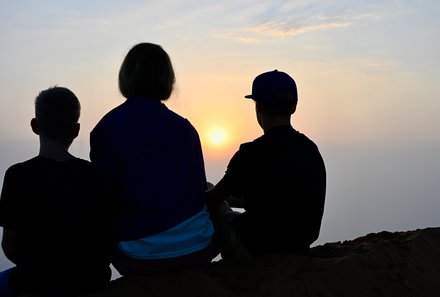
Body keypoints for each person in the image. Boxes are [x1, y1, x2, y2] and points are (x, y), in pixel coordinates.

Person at [89, 42, 215, 275]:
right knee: (210, 190)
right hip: (197, 251)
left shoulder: (106, 129)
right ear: (167, 80)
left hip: (137, 257)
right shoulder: (185, 129)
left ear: (126, 77)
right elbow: (198, 191)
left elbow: (103, 197)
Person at [0, 87, 111, 297]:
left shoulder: (17, 176)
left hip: (35, 282)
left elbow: (10, 248)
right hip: (90, 280)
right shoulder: (95, 175)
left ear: (35, 125)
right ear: (76, 130)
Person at [206, 70, 326, 261]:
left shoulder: (250, 153)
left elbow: (212, 200)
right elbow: (277, 201)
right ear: (294, 106)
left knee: (207, 191)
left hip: (253, 248)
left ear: (258, 107)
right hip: (298, 245)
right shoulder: (310, 150)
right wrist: (230, 202)